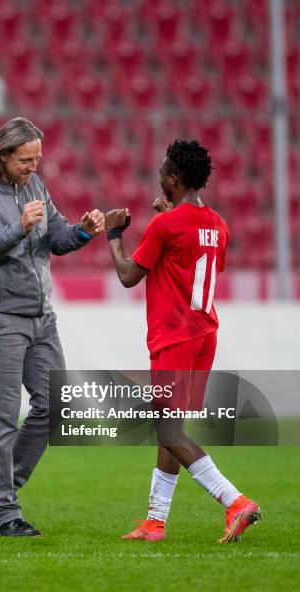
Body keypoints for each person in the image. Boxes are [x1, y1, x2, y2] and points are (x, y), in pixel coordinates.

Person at [0, 117, 104, 537]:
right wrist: (17, 227)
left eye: (37, 158)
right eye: (26, 159)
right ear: (2, 155)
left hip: (40, 316)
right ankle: (7, 514)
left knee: (56, 405)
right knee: (2, 417)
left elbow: (55, 237)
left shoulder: (35, 186)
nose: (34, 166)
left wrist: (82, 232)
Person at [105, 139, 261, 543]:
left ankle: (235, 501)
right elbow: (188, 256)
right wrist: (169, 217)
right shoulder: (219, 224)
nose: (158, 176)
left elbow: (127, 275)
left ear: (173, 178)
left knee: (170, 431)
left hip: (173, 336)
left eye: (162, 171)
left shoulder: (164, 224)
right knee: (169, 429)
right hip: (204, 333)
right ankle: (155, 522)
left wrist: (114, 234)